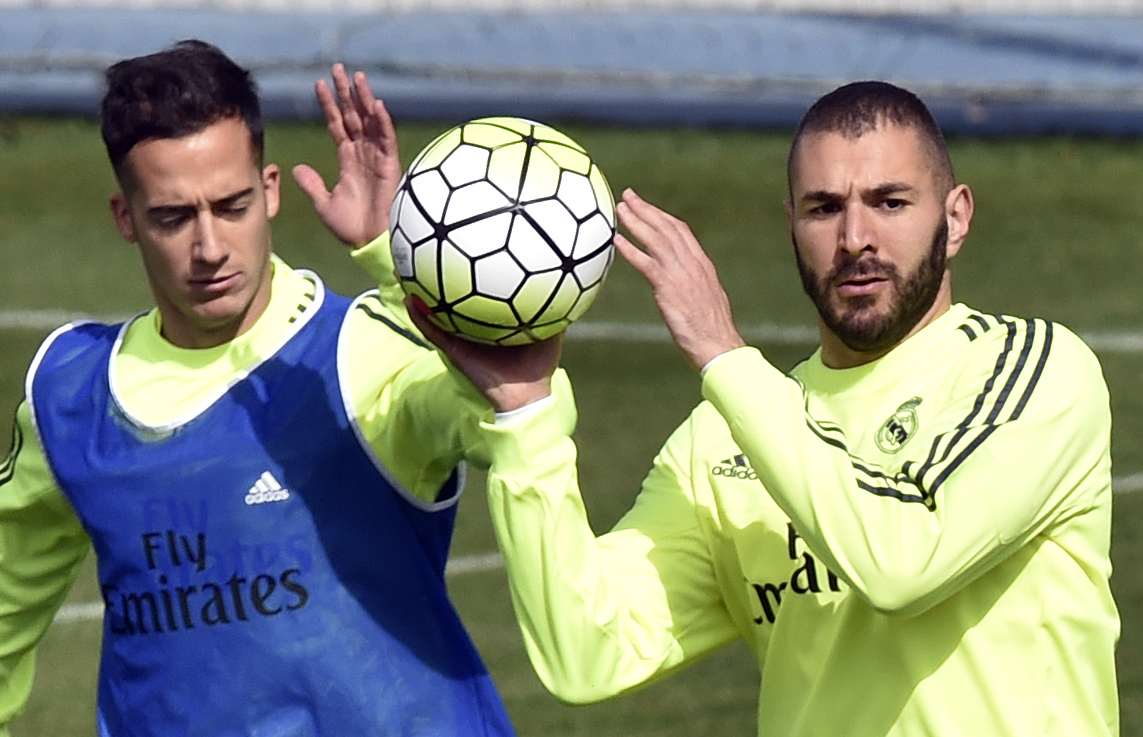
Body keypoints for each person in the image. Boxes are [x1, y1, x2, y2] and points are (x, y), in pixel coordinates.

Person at [413, 81, 1121, 735]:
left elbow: (903, 561)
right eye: (824, 208)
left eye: (890, 202)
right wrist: (525, 419)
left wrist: (723, 354)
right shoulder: (722, 441)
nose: (855, 239)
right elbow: (588, 652)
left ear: (955, 217)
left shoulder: (1034, 373)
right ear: (792, 225)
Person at [0, 39, 518, 736]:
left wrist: (400, 273)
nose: (210, 248)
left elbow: (509, 411)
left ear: (270, 191)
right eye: (173, 217)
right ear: (126, 218)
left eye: (232, 206)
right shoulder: (71, 398)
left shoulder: (362, 351)